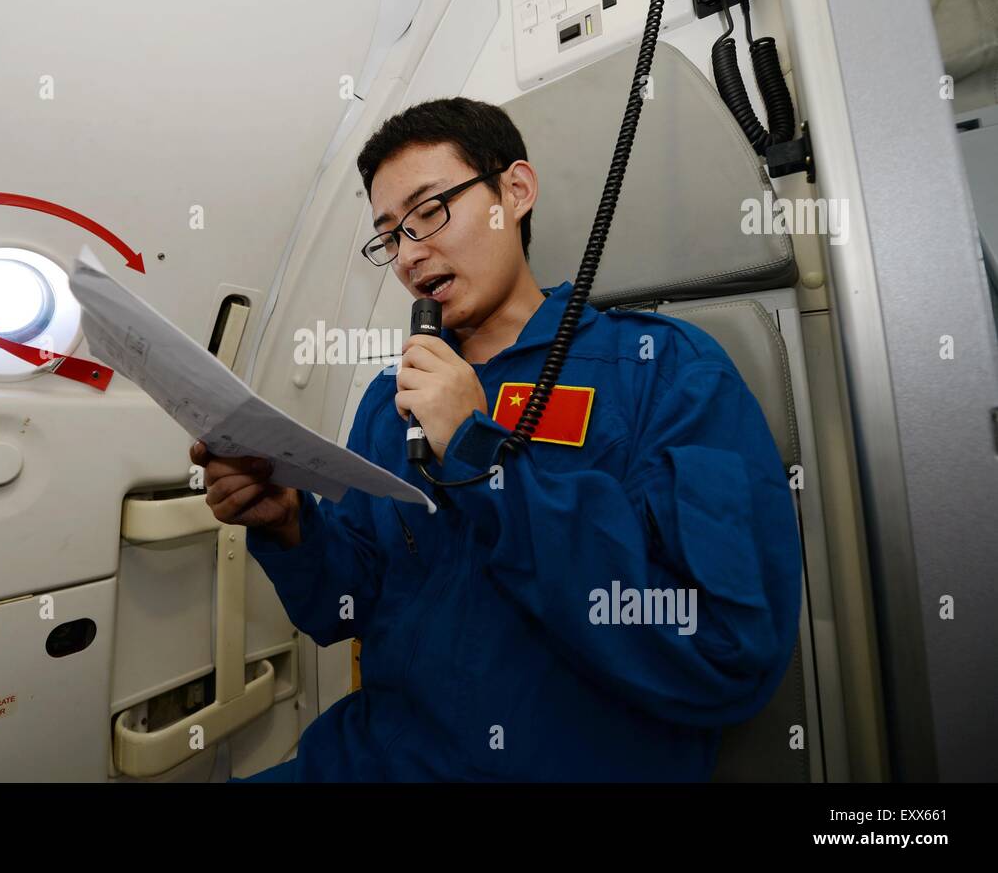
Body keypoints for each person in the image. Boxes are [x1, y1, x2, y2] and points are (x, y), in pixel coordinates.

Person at [193, 97, 801, 781]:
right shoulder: (389, 400)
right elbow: (348, 606)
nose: (410, 254)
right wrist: (289, 526)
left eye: (429, 211)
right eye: (390, 234)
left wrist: (481, 458)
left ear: (514, 192)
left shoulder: (666, 373)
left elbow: (725, 654)